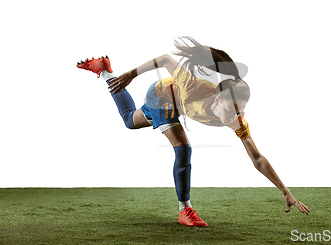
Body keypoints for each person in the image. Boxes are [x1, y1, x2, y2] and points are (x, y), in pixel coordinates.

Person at [77, 36, 310, 227]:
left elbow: (257, 159)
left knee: (129, 121)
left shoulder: (236, 120)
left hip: (177, 108)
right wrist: (131, 74)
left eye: (239, 111)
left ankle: (106, 72)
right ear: (217, 99)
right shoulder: (193, 86)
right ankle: (185, 210)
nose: (233, 117)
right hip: (161, 96)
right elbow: (166, 59)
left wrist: (285, 190)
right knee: (183, 149)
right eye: (229, 110)